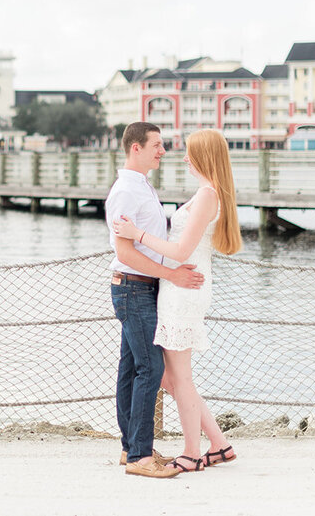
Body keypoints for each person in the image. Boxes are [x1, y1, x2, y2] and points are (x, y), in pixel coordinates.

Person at [113, 128, 242, 473]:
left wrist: (138, 234)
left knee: (177, 378)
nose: (181, 156)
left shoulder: (206, 195)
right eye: (161, 146)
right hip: (178, 287)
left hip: (183, 290)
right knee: (172, 377)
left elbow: (182, 250)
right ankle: (217, 444)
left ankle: (191, 451)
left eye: (188, 152)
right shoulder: (204, 194)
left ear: (203, 157)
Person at [106, 122, 204, 479]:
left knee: (132, 368)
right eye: (157, 145)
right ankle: (140, 457)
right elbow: (125, 251)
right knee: (151, 368)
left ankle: (130, 447)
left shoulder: (141, 185)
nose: (163, 151)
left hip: (142, 287)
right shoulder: (126, 192)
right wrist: (172, 274)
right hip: (133, 286)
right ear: (137, 148)